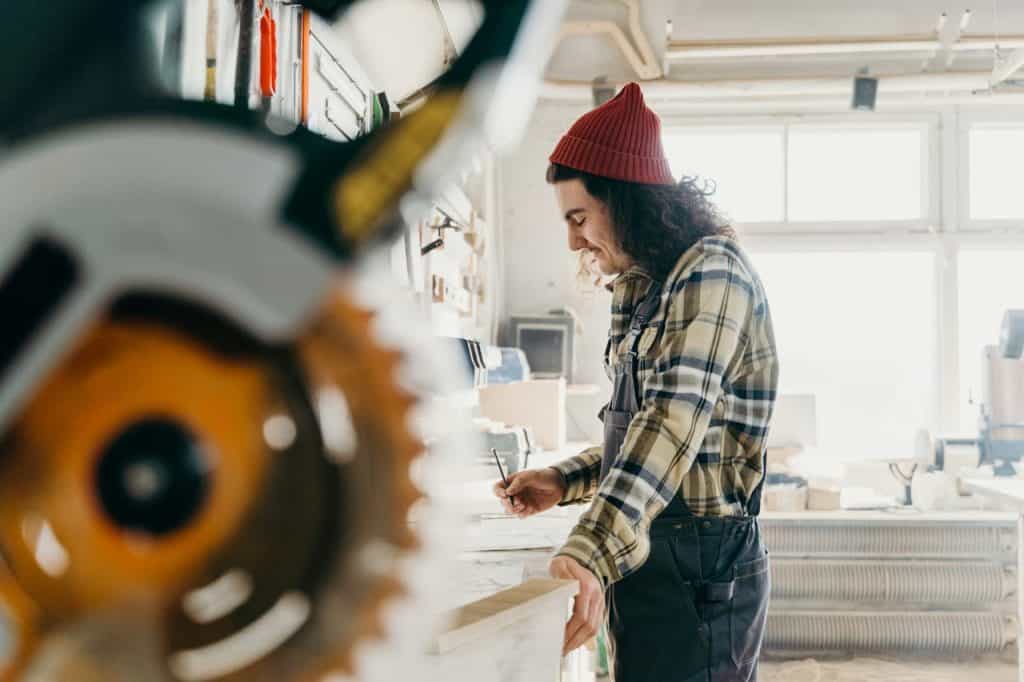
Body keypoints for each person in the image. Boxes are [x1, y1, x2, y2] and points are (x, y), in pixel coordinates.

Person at [493, 83, 779, 682]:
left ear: (626, 203)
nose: (573, 240)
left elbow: (670, 425)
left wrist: (588, 548)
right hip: (653, 553)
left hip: (702, 572)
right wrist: (561, 479)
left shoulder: (711, 275)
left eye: (579, 217)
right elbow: (642, 438)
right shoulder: (646, 287)